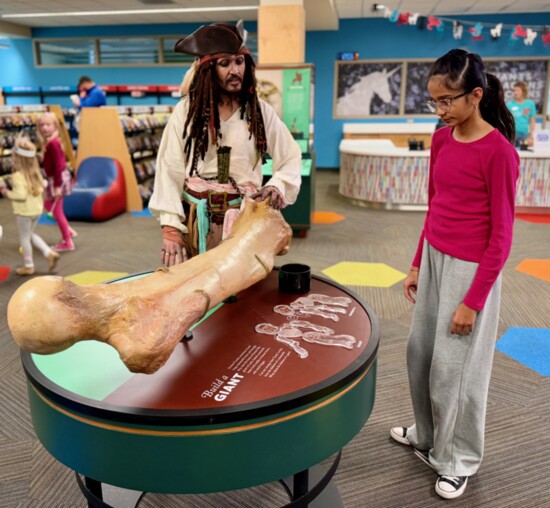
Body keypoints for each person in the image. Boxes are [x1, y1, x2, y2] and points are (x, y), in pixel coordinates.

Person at [390, 49, 519, 500]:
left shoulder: (499, 153)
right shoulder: (441, 139)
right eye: (434, 102)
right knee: (420, 354)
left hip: (472, 271)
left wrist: (473, 301)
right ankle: (427, 437)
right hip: (434, 261)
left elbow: (502, 236)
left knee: (456, 370)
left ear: (475, 96)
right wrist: (415, 263)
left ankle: (459, 458)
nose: (440, 110)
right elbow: (436, 204)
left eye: (447, 101)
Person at [148, 21, 302, 267]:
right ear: (208, 69)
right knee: (198, 288)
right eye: (225, 63)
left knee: (243, 286)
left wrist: (277, 185)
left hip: (244, 218)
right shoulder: (187, 112)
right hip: (197, 219)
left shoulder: (259, 111)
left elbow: (291, 156)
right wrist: (170, 227)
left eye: (239, 62)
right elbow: (169, 167)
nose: (235, 70)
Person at [0, 137, 60, 275]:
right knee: (30, 234)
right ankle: (49, 252)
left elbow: (20, 195)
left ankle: (29, 265)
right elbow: (42, 186)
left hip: (24, 213)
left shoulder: (17, 176)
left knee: (24, 238)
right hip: (36, 210)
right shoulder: (36, 173)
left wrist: (7, 193)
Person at [37, 112, 77, 251]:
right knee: (50, 205)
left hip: (57, 180)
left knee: (56, 210)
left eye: (48, 125)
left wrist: (57, 187)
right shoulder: (51, 141)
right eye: (42, 125)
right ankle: (68, 231)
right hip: (56, 179)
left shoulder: (53, 143)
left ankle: (67, 241)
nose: (44, 128)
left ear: (55, 126)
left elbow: (59, 166)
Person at [506, 81, 537, 149]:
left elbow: (532, 121)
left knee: (524, 156)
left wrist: (531, 136)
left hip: (524, 135)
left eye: (518, 90)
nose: (515, 92)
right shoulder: (509, 104)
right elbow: (506, 121)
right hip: (512, 135)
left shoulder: (530, 104)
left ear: (523, 91)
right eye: (514, 90)